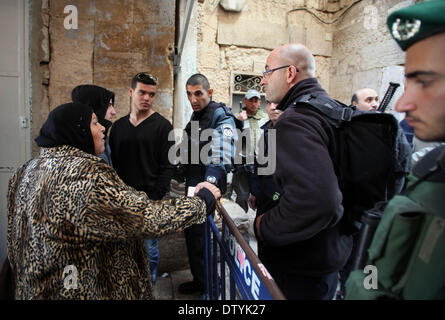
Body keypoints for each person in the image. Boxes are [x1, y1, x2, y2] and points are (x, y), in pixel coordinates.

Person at [6, 102, 220, 299]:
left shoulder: (25, 171)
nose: (102, 128)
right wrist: (202, 202)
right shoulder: (84, 175)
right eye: (94, 122)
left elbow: (14, 242)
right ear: (76, 130)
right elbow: (144, 217)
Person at [345, 0, 445, 299]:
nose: (402, 104)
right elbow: (376, 273)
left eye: (424, 82)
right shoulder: (431, 173)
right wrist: (367, 286)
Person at [256, 43, 353, 299]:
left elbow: (319, 201)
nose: (263, 81)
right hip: (327, 255)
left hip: (300, 266)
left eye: (267, 72)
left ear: (289, 73)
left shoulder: (296, 119)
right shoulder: (329, 108)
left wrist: (264, 226)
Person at [109, 72, 174, 285]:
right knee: (121, 251)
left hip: (148, 202)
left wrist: (153, 199)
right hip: (120, 204)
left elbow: (168, 167)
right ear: (131, 92)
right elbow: (113, 166)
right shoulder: (117, 128)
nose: (147, 98)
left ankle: (148, 289)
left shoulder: (163, 127)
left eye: (152, 94)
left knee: (149, 251)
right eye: (142, 92)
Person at [178, 73, 238, 295]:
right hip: (192, 186)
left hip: (207, 187)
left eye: (198, 94)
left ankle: (213, 286)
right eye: (189, 94)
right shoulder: (195, 117)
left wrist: (211, 180)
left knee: (203, 238)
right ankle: (200, 280)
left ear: (209, 93)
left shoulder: (221, 116)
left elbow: (223, 148)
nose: (193, 99)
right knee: (192, 236)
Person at [232, 89, 269, 212]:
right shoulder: (237, 118)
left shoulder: (265, 118)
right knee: (242, 196)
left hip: (260, 164)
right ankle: (240, 225)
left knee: (260, 195)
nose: (253, 104)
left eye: (256, 101)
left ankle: (258, 223)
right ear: (245, 102)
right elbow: (233, 140)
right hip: (242, 164)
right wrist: (240, 122)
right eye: (250, 101)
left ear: (259, 103)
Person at [71, 84, 116, 165]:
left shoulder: (103, 138)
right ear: (95, 106)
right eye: (108, 105)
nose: (113, 112)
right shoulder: (82, 148)